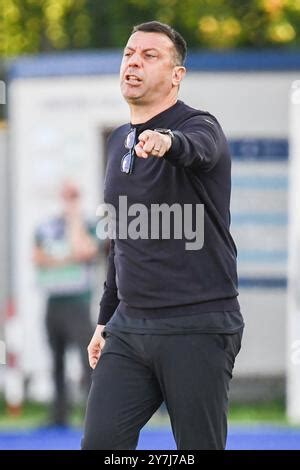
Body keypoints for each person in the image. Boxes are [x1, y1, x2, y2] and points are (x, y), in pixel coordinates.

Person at [82, 21, 244, 450]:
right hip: (131, 327)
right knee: (100, 446)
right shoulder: (119, 142)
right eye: (129, 54)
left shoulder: (200, 126)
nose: (134, 62)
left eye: (150, 55)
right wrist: (104, 319)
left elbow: (198, 147)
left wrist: (167, 142)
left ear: (177, 75)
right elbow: (120, 241)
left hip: (197, 323)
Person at [33, 181, 99, 426]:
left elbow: (84, 252)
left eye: (73, 196)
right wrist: (68, 258)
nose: (68, 200)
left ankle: (92, 413)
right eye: (66, 196)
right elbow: (38, 258)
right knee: (56, 360)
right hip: (54, 301)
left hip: (78, 302)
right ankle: (59, 413)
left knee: (86, 360)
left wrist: (74, 221)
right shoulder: (47, 226)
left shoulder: (88, 226)